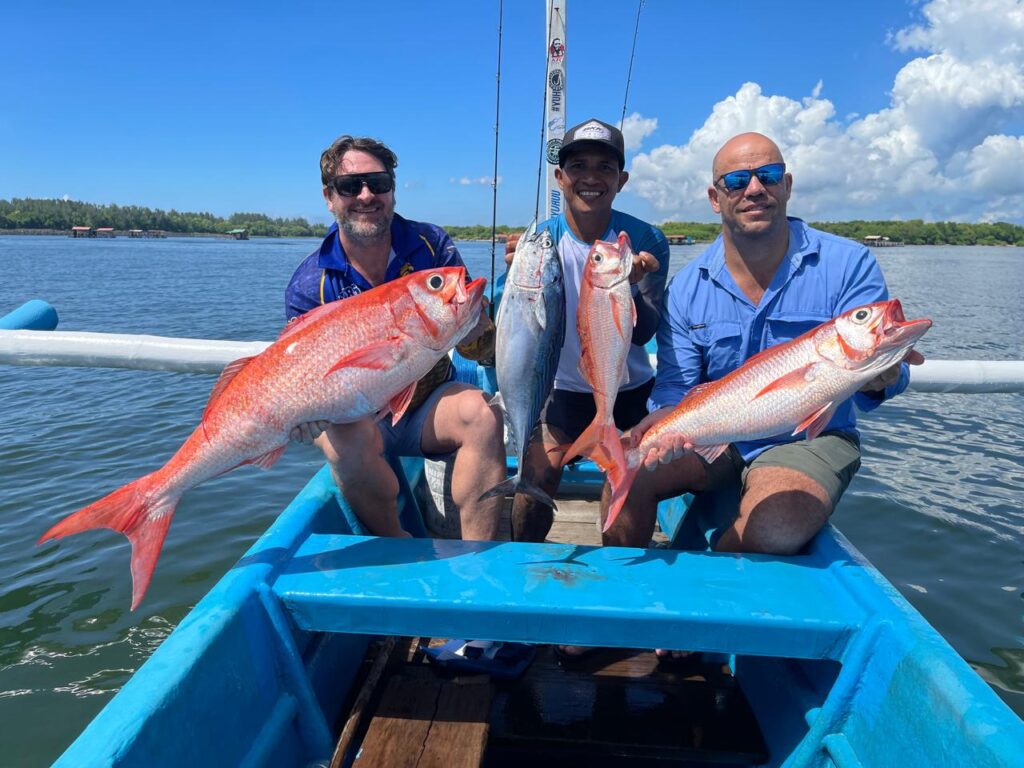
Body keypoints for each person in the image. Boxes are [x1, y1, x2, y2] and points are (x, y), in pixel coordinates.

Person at [604, 131, 925, 559]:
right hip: (717, 429)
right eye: (736, 181)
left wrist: (883, 374)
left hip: (812, 437)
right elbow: (674, 387)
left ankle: (706, 570)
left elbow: (888, 377)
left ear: (787, 186)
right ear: (715, 199)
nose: (754, 188)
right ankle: (627, 593)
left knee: (778, 521)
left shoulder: (849, 263)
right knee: (622, 478)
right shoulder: (687, 288)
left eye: (768, 175)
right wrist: (660, 427)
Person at [284, 134, 506, 541]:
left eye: (379, 183)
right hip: (353, 417)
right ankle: (397, 548)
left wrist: (478, 327)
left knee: (484, 415)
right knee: (341, 444)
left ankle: (481, 561)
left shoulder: (430, 245)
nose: (366, 195)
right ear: (329, 196)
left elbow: (482, 351)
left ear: (393, 190)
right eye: (350, 186)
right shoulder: (308, 284)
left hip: (426, 407)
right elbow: (300, 377)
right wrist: (304, 417)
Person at [505, 118, 670, 542]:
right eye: (578, 166)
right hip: (560, 390)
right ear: (560, 177)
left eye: (605, 168)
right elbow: (513, 332)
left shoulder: (646, 240)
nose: (591, 178)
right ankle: (523, 563)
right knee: (536, 475)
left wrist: (629, 288)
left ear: (622, 179)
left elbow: (643, 331)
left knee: (626, 486)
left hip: (627, 389)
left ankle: (617, 579)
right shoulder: (539, 242)